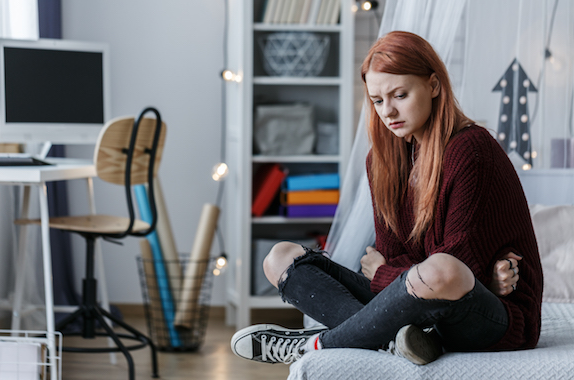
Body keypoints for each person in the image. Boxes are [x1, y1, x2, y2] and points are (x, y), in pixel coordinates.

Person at [230, 31, 543, 366]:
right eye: (378, 101)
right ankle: (399, 339)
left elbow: (457, 269)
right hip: (419, 305)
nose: (389, 111)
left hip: (494, 315)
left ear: (434, 85)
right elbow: (393, 258)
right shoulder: (382, 161)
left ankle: (318, 345)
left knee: (441, 269)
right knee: (280, 258)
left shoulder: (471, 148)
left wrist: (383, 272)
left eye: (400, 95)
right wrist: (387, 273)